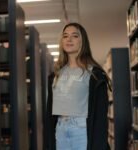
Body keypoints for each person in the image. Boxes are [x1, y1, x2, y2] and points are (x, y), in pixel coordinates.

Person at [46, 22, 111, 150]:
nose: (69, 39)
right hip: (60, 130)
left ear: (83, 41)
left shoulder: (94, 75)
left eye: (75, 36)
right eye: (65, 36)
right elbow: (49, 115)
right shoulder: (56, 75)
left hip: (82, 130)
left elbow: (100, 116)